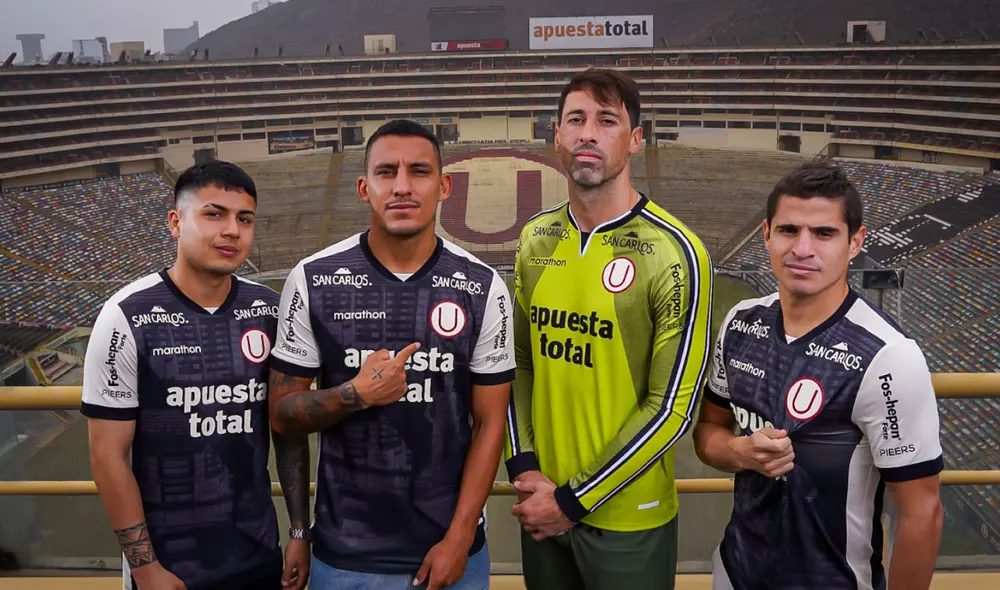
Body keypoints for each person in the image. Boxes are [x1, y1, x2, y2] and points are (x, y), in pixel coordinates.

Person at [267, 119, 515, 590]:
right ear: (364, 187)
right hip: (345, 558)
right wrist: (355, 394)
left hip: (452, 555)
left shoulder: (483, 287)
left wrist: (459, 539)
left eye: (418, 171)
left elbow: (489, 425)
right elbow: (282, 416)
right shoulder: (314, 279)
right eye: (386, 172)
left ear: (443, 185)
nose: (402, 186)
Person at [504, 68, 714, 590]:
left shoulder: (676, 253)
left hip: (628, 519)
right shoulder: (536, 238)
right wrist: (524, 466)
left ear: (635, 139)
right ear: (557, 134)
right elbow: (518, 363)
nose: (588, 133)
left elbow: (671, 408)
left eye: (607, 120)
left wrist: (574, 500)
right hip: (543, 503)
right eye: (575, 119)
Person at [693, 162, 944, 590]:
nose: (802, 248)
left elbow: (923, 512)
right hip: (735, 572)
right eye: (789, 230)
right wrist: (740, 452)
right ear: (767, 234)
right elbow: (708, 433)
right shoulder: (739, 323)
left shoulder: (889, 357)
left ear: (854, 242)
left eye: (824, 233)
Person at [81, 161, 311, 590]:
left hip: (259, 554)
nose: (232, 231)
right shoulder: (126, 315)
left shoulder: (268, 309)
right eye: (214, 214)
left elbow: (288, 430)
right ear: (175, 222)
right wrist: (146, 568)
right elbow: (107, 458)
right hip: (169, 567)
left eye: (244, 219)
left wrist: (300, 532)